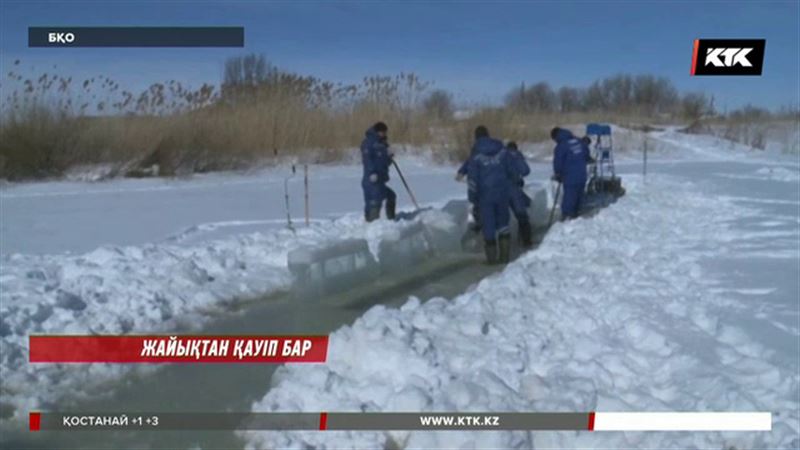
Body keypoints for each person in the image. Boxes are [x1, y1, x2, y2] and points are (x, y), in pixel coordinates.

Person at [468, 126, 526, 264]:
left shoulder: (475, 155)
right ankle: (505, 257)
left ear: (476, 137)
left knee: (488, 224)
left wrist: (472, 197)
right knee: (503, 222)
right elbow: (512, 170)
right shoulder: (502, 151)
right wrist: (516, 181)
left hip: (485, 195)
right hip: (502, 192)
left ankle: (492, 260)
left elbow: (472, 179)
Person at [551, 127, 590, 220]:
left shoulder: (561, 146)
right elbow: (586, 154)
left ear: (556, 136)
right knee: (579, 196)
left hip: (570, 177)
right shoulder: (578, 141)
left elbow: (558, 162)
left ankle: (567, 217)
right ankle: (577, 216)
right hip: (582, 174)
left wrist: (558, 174)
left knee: (569, 198)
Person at [361, 122, 396, 222]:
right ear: (378, 131)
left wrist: (390, 156)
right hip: (371, 179)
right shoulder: (368, 143)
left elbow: (385, 163)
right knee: (374, 201)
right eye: (383, 132)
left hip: (381, 179)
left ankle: (391, 219)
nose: (384, 134)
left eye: (385, 132)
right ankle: (371, 223)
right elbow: (367, 159)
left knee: (391, 196)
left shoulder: (383, 144)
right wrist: (372, 172)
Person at [505, 141, 533, 247]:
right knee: (522, 215)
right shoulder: (516, 155)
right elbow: (525, 170)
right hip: (513, 188)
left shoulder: (500, 155)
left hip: (497, 190)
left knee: (501, 218)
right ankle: (526, 241)